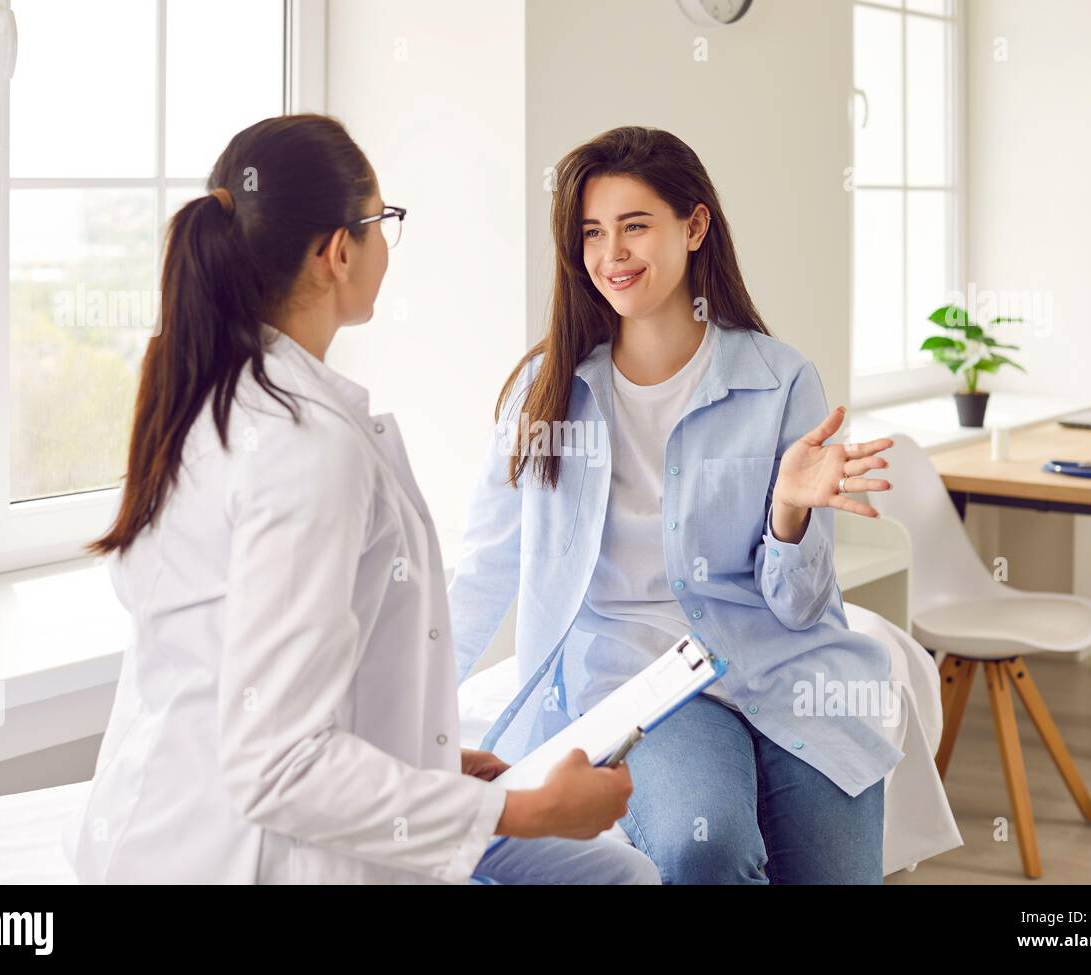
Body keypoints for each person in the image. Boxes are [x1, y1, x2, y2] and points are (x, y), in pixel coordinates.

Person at [62, 114, 659, 885]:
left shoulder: (205, 396)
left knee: (620, 875)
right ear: (338, 252)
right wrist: (524, 812)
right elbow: (276, 765)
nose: (387, 244)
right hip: (246, 852)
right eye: (382, 223)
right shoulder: (303, 447)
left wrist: (431, 754)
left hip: (174, 819)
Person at [449, 126, 902, 884]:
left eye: (635, 226)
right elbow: (484, 570)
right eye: (593, 233)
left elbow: (799, 605)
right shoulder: (549, 393)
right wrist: (403, 723)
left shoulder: (781, 379)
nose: (612, 254)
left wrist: (788, 512)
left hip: (791, 670)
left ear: (694, 227)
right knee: (706, 846)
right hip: (645, 686)